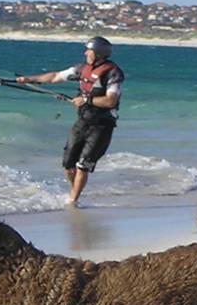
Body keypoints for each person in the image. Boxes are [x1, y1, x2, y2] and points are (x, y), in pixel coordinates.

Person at [17, 37, 124, 206]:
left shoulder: (113, 73)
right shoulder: (82, 69)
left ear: (97, 53)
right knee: (68, 164)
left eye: (88, 50)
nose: (85, 53)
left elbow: (111, 101)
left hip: (102, 125)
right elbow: (54, 77)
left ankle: (72, 201)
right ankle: (74, 193)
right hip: (82, 121)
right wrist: (28, 79)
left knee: (83, 165)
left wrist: (86, 100)